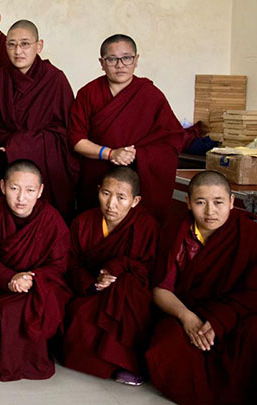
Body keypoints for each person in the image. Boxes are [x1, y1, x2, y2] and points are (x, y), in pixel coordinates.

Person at [146, 171, 257, 405]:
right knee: (164, 346)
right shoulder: (175, 233)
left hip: (233, 316)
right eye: (200, 202)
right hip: (188, 311)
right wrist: (187, 318)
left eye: (218, 202)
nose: (210, 212)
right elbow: (161, 289)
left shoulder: (249, 235)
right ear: (188, 203)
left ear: (231, 202)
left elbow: (253, 292)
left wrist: (218, 321)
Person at [68, 34, 183, 222]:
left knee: (137, 232)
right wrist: (111, 153)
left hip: (136, 182)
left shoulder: (150, 95)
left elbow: (172, 139)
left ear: (136, 60)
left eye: (127, 58)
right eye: (112, 59)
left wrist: (138, 155)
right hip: (96, 179)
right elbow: (76, 139)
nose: (120, 65)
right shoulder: (88, 94)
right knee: (93, 228)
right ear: (102, 62)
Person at [0, 159, 71, 381]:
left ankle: (34, 364)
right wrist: (11, 278)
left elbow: (59, 265)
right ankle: (6, 364)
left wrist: (31, 278)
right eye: (14, 188)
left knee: (25, 310)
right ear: (2, 187)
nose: (21, 198)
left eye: (29, 190)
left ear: (40, 191)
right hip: (2, 283)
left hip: (41, 285)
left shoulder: (51, 219)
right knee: (4, 310)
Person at [62, 167, 157, 385]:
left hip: (126, 291)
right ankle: (95, 362)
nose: (111, 204)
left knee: (130, 288)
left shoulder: (146, 226)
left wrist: (119, 267)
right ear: (98, 191)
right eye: (106, 194)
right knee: (80, 316)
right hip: (90, 287)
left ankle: (124, 362)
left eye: (121, 197)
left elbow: (148, 269)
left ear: (135, 201)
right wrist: (93, 283)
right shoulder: (83, 222)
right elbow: (70, 261)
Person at [0, 20, 78, 216]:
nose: (17, 51)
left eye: (25, 44)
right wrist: (8, 144)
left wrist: (17, 144)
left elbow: (65, 132)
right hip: (2, 165)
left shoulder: (55, 80)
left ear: (39, 46)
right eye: (11, 44)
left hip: (45, 169)